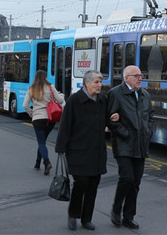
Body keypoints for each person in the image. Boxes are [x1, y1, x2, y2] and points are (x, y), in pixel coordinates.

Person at [55, 70, 113, 231]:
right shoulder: (74, 100)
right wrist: (61, 147)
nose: (99, 85)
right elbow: (65, 125)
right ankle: (73, 214)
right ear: (86, 83)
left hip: (96, 151)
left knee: (93, 186)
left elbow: (107, 118)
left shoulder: (103, 100)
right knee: (81, 183)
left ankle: (87, 219)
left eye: (100, 82)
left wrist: (113, 118)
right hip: (78, 151)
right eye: (96, 82)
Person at [108, 65, 154, 230]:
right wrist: (125, 134)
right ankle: (116, 209)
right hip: (124, 144)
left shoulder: (145, 95)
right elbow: (111, 120)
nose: (140, 78)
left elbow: (150, 115)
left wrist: (148, 131)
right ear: (126, 77)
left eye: (141, 75)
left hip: (141, 144)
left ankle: (128, 217)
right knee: (126, 178)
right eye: (136, 76)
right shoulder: (116, 93)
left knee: (136, 182)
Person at [23, 70, 64, 175]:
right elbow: (60, 100)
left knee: (41, 142)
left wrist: (32, 114)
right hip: (50, 119)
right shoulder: (50, 87)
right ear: (45, 78)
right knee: (43, 142)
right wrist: (61, 95)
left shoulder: (31, 89)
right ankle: (37, 163)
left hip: (38, 119)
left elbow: (25, 105)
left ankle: (46, 162)